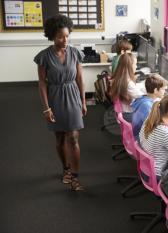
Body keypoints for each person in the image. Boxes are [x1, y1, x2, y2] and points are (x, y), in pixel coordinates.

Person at [34, 15, 86, 191]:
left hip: (72, 96)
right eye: (60, 37)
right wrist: (46, 108)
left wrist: (83, 101)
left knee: (73, 137)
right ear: (52, 36)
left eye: (66, 36)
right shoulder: (44, 57)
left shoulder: (75, 53)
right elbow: (42, 83)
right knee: (60, 137)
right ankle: (65, 168)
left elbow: (79, 78)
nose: (64, 40)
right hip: (55, 97)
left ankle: (75, 177)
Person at [131, 74, 168, 140]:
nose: (165, 92)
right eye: (163, 89)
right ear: (156, 90)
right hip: (142, 139)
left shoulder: (143, 98)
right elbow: (157, 129)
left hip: (140, 134)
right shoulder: (147, 106)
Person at [110, 52, 144, 121]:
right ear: (129, 65)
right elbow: (142, 97)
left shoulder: (120, 78)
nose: (136, 67)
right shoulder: (128, 83)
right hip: (129, 115)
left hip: (124, 113)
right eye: (135, 64)